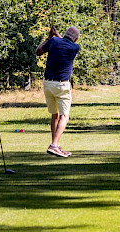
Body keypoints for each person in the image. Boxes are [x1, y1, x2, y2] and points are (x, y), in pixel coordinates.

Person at [35, 25, 80, 157]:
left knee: (54, 115)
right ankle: (54, 145)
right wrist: (56, 36)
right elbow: (64, 43)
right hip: (62, 86)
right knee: (64, 116)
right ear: (75, 39)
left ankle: (56, 144)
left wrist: (50, 38)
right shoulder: (74, 47)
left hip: (48, 84)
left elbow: (38, 51)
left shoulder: (54, 42)